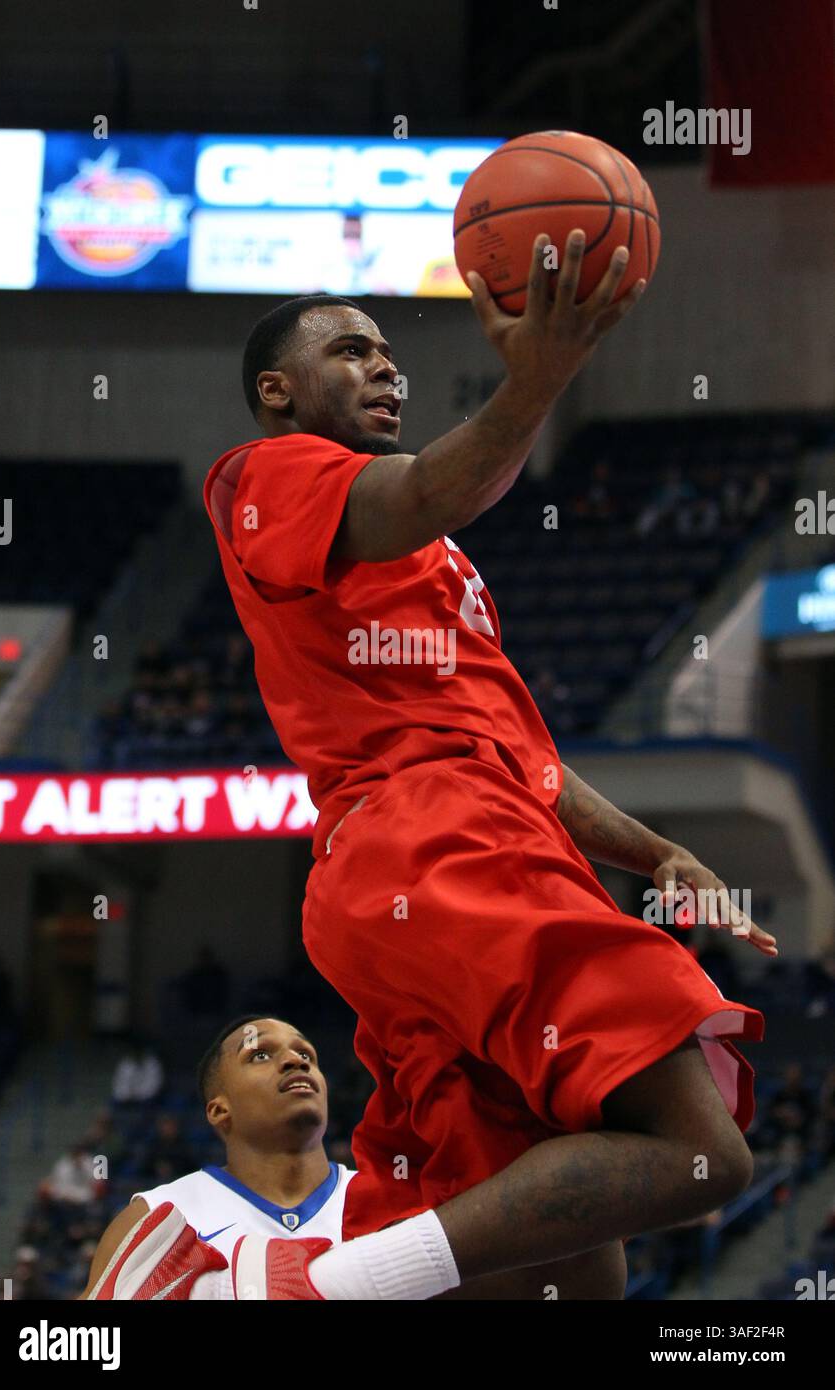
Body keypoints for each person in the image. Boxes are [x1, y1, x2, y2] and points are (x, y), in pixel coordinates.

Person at [201, 229, 777, 1300]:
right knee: (700, 1149)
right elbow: (424, 491)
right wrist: (542, 374)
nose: (385, 365)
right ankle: (314, 1286)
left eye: (388, 351)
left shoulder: (438, 559)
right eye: (352, 350)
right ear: (277, 391)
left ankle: (345, 1283)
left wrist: (655, 854)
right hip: (432, 840)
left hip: (422, 863)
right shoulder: (267, 475)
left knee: (562, 1273)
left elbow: (527, 760)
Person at [80, 1016, 357, 1300]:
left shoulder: (387, 1200)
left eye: (305, 1053)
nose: (295, 1061)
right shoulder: (155, 1218)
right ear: (219, 1110)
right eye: (260, 1055)